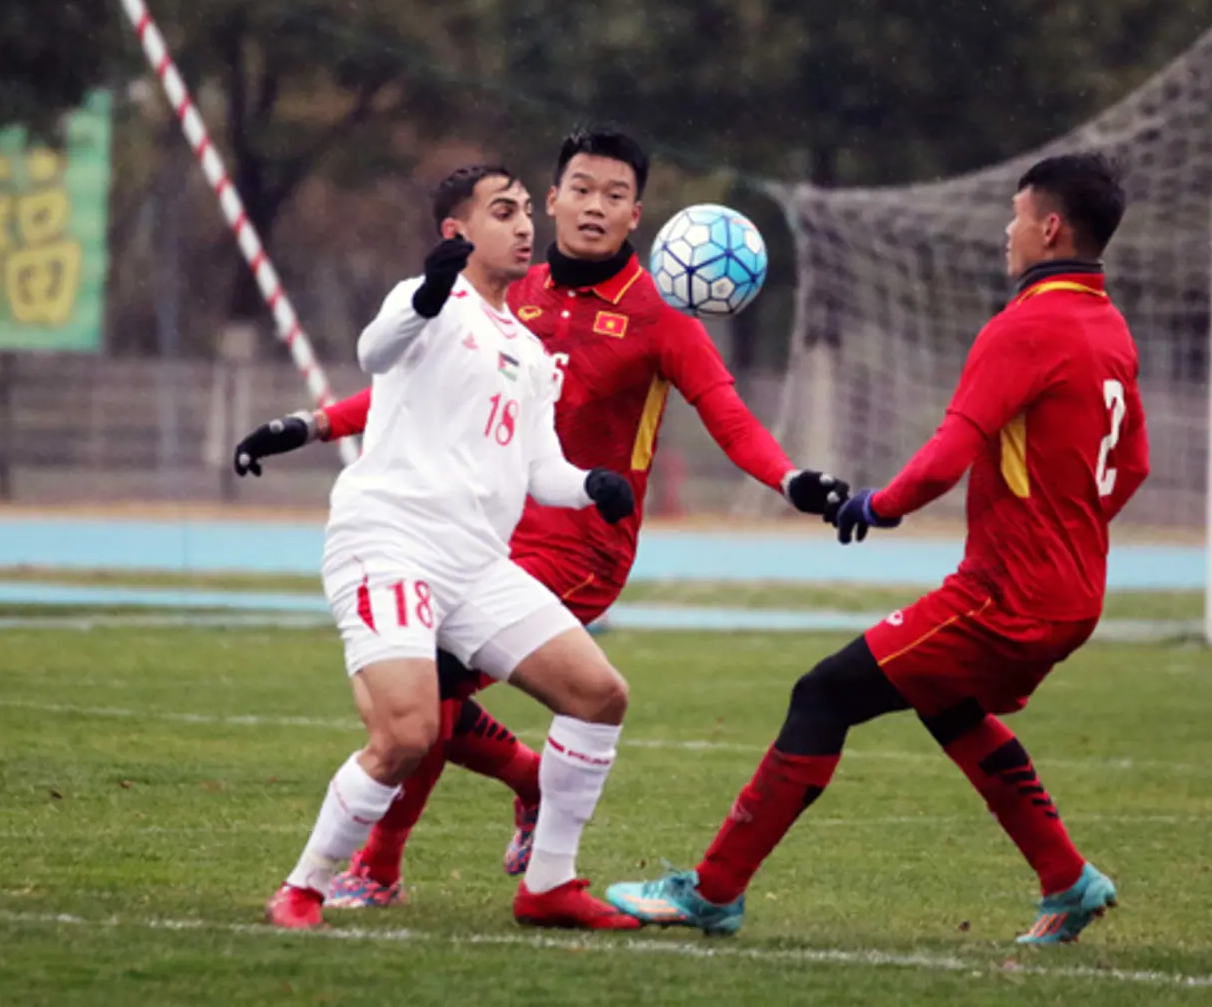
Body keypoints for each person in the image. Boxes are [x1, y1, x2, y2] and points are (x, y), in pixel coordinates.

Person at [237, 124, 849, 911]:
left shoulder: (660, 315)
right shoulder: (503, 294)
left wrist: (793, 481)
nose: (595, 207)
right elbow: (402, 375)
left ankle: (381, 868)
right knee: (425, 700)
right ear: (551, 199)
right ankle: (516, 793)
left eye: (616, 195)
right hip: (485, 537)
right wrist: (313, 425)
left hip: (579, 550)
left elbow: (728, 418)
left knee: (441, 696)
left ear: (638, 215)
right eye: (581, 190)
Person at [604, 152, 1151, 945]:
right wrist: (1065, 530)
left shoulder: (1026, 326)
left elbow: (947, 451)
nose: (1007, 230)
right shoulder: (1109, 329)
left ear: (1049, 226)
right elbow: (1131, 464)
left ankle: (714, 889)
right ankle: (1066, 877)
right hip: (1073, 593)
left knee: (822, 693)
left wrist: (875, 506)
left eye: (1015, 214)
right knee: (946, 705)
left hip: (1006, 593)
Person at [265, 163, 645, 932]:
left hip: (473, 565)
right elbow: (376, 351)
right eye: (500, 211)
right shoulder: (423, 301)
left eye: (519, 211)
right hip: (390, 542)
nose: (520, 224)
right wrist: (431, 291)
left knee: (599, 695)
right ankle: (304, 887)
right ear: (456, 232)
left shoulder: (528, 350)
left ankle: (548, 886)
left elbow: (541, 470)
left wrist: (590, 487)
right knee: (407, 735)